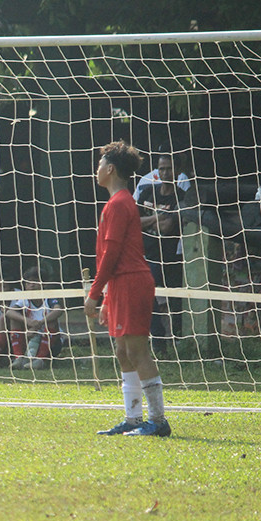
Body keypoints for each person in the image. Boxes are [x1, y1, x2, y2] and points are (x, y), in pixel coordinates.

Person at [85, 141, 171, 438]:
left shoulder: (120, 203)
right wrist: (108, 296)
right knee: (123, 351)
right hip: (121, 284)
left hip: (133, 281)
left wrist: (94, 294)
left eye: (99, 165)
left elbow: (111, 253)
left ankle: (158, 421)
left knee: (136, 350)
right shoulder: (116, 203)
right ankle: (133, 418)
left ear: (109, 169)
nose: (96, 170)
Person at [137, 152, 185, 353]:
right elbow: (131, 221)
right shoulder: (147, 191)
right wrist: (157, 218)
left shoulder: (182, 197)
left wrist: (148, 221)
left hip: (169, 258)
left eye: (169, 168)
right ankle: (158, 341)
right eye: (161, 168)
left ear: (178, 171)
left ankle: (178, 342)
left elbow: (167, 227)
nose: (165, 172)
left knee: (175, 303)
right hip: (143, 255)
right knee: (146, 295)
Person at [4, 267, 66, 371]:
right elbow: (9, 312)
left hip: (51, 342)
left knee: (51, 321)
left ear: (44, 284)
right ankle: (19, 358)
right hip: (30, 338)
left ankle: (40, 360)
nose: (31, 285)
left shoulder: (49, 298)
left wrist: (40, 323)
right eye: (28, 282)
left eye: (36, 281)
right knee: (14, 319)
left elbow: (58, 310)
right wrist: (28, 322)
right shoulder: (25, 300)